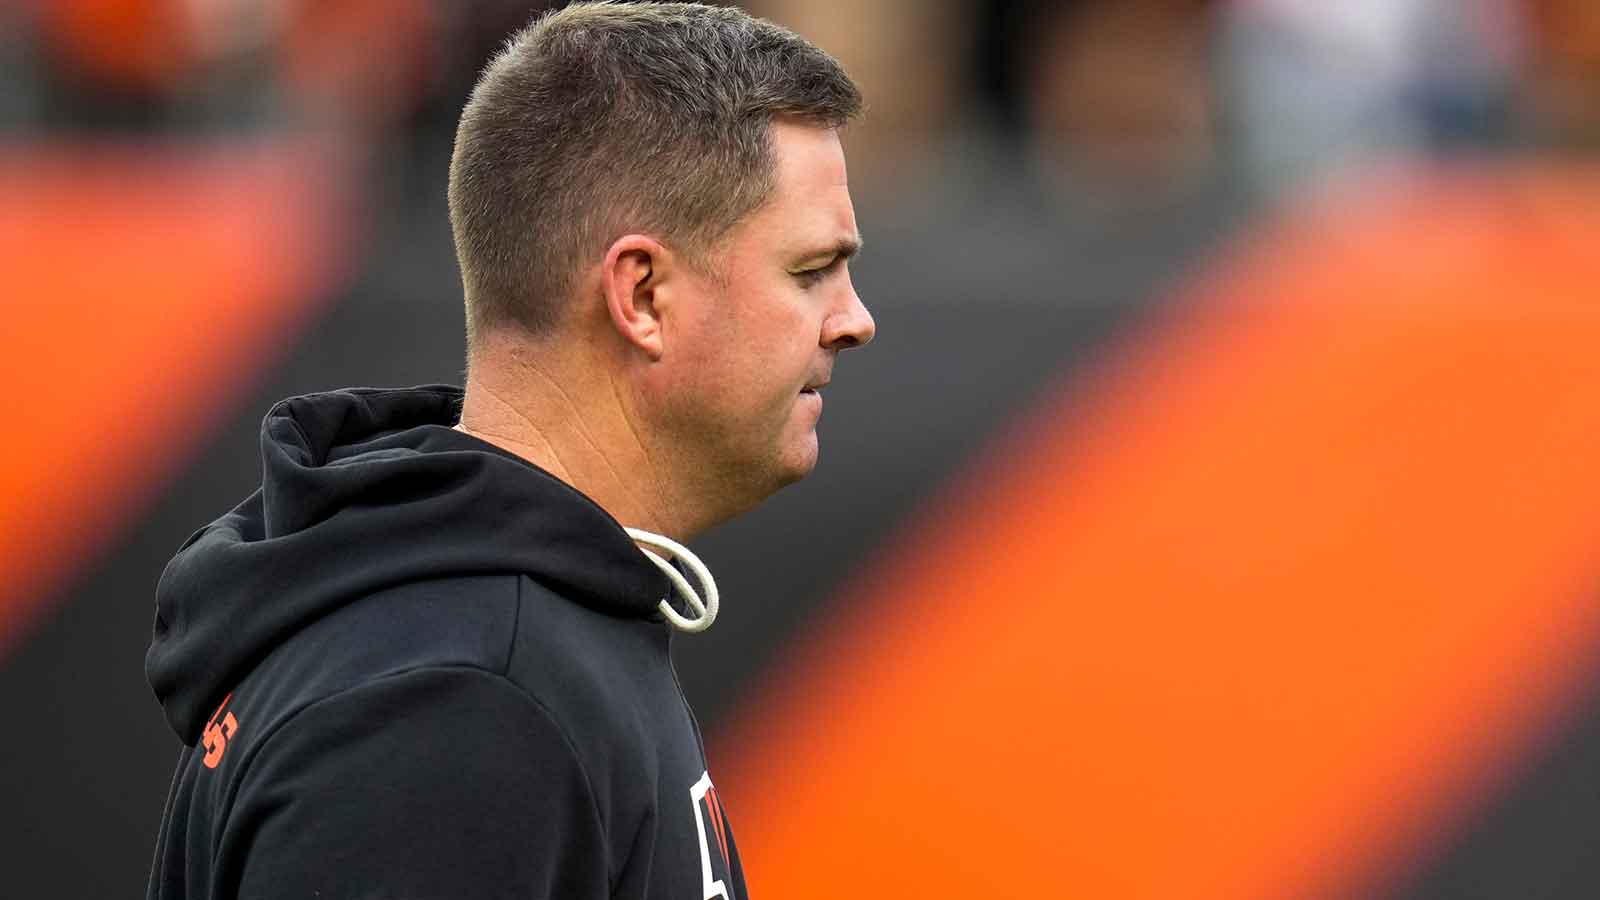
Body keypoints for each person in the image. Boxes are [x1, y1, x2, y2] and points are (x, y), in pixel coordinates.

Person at [144, 4, 873, 898]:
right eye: (810, 271)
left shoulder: (508, 637)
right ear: (642, 295)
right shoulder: (459, 702)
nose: (854, 320)